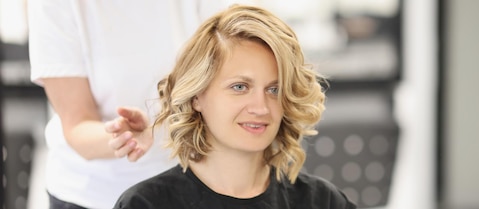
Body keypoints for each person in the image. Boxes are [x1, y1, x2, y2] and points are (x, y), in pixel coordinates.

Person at [113, 4, 356, 209]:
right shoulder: (146, 204)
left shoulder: (322, 201)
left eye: (274, 89)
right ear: (196, 96)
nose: (261, 107)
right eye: (240, 87)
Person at [27, 0, 243, 208]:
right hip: (95, 195)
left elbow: (230, 59)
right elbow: (77, 125)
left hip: (190, 181)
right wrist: (124, 136)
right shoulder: (53, 4)